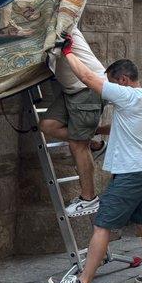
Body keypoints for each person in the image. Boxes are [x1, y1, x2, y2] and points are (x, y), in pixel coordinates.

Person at [47, 43, 142, 283]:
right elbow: (123, 125)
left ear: (123, 80)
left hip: (132, 174)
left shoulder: (128, 95)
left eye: (112, 84)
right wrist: (97, 132)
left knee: (102, 225)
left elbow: (88, 78)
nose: (109, 91)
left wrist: (67, 52)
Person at [39, 27, 107, 217]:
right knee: (47, 125)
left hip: (86, 89)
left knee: (78, 145)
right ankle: (95, 144)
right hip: (72, 90)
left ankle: (89, 199)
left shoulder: (62, 24)